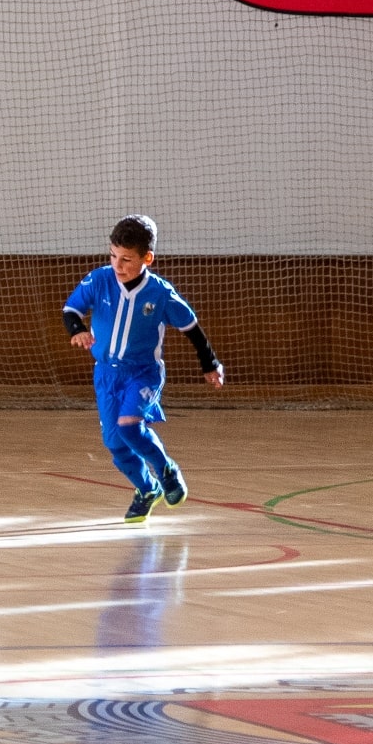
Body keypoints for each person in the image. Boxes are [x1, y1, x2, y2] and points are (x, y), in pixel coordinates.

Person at [61, 214, 223, 523]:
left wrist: (210, 364)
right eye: (113, 256)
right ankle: (147, 489)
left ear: (147, 258)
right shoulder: (99, 280)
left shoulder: (160, 294)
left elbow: (192, 329)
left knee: (129, 426)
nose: (118, 265)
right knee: (114, 443)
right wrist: (76, 330)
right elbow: (71, 310)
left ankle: (166, 470)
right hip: (107, 374)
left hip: (142, 372)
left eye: (126, 259)